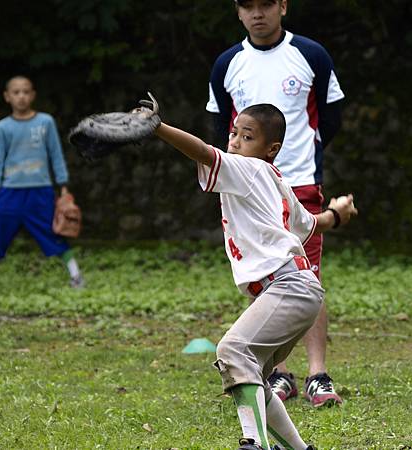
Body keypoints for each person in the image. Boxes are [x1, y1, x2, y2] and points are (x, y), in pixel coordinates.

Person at [151, 101, 357, 449]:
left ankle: (254, 442)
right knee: (256, 378)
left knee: (232, 350)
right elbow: (313, 224)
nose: (234, 141)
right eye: (233, 133)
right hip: (300, 290)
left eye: (246, 137)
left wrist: (158, 128)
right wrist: (337, 215)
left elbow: (202, 152)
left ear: (270, 149)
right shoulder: (277, 183)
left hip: (288, 287)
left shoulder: (247, 169)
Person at [207, 0, 346, 407]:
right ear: (237, 12)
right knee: (263, 270)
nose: (257, 13)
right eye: (247, 6)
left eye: (266, 3)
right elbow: (221, 126)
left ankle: (317, 374)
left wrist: (301, 158)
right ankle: (277, 374)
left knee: (308, 276)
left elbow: (330, 116)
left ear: (282, 6)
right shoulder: (227, 63)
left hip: (299, 182)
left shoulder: (311, 54)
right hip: (249, 190)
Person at [0, 75, 84, 296]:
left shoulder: (45, 122)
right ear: (7, 97)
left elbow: (55, 155)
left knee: (54, 232)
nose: (21, 96)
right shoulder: (3, 127)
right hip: (8, 192)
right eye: (16, 92)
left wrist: (63, 185)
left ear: (33, 95)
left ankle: (76, 277)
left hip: (41, 191)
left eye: (26, 91)